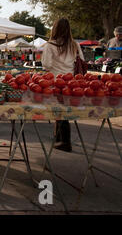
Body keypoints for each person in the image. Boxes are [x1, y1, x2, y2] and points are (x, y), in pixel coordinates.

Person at [41, 18, 84, 152]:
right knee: (63, 111)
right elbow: (81, 60)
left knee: (59, 111)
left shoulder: (50, 45)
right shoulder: (74, 45)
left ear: (54, 29)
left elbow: (46, 65)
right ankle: (59, 138)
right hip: (71, 82)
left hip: (55, 81)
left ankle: (64, 141)